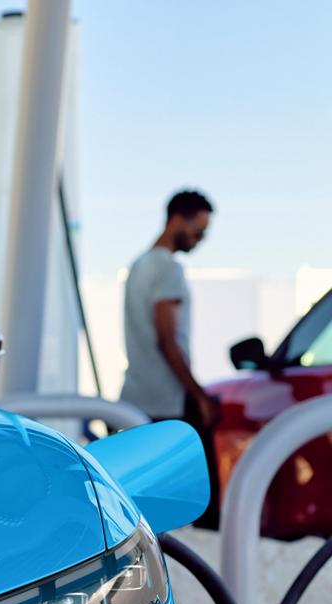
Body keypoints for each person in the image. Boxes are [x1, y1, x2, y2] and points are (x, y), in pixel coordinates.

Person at [120, 189, 221, 525]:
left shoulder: (138, 265)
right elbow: (168, 340)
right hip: (169, 401)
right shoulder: (168, 269)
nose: (200, 240)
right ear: (178, 219)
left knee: (145, 508)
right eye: (199, 230)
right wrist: (198, 394)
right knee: (205, 509)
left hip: (137, 394)